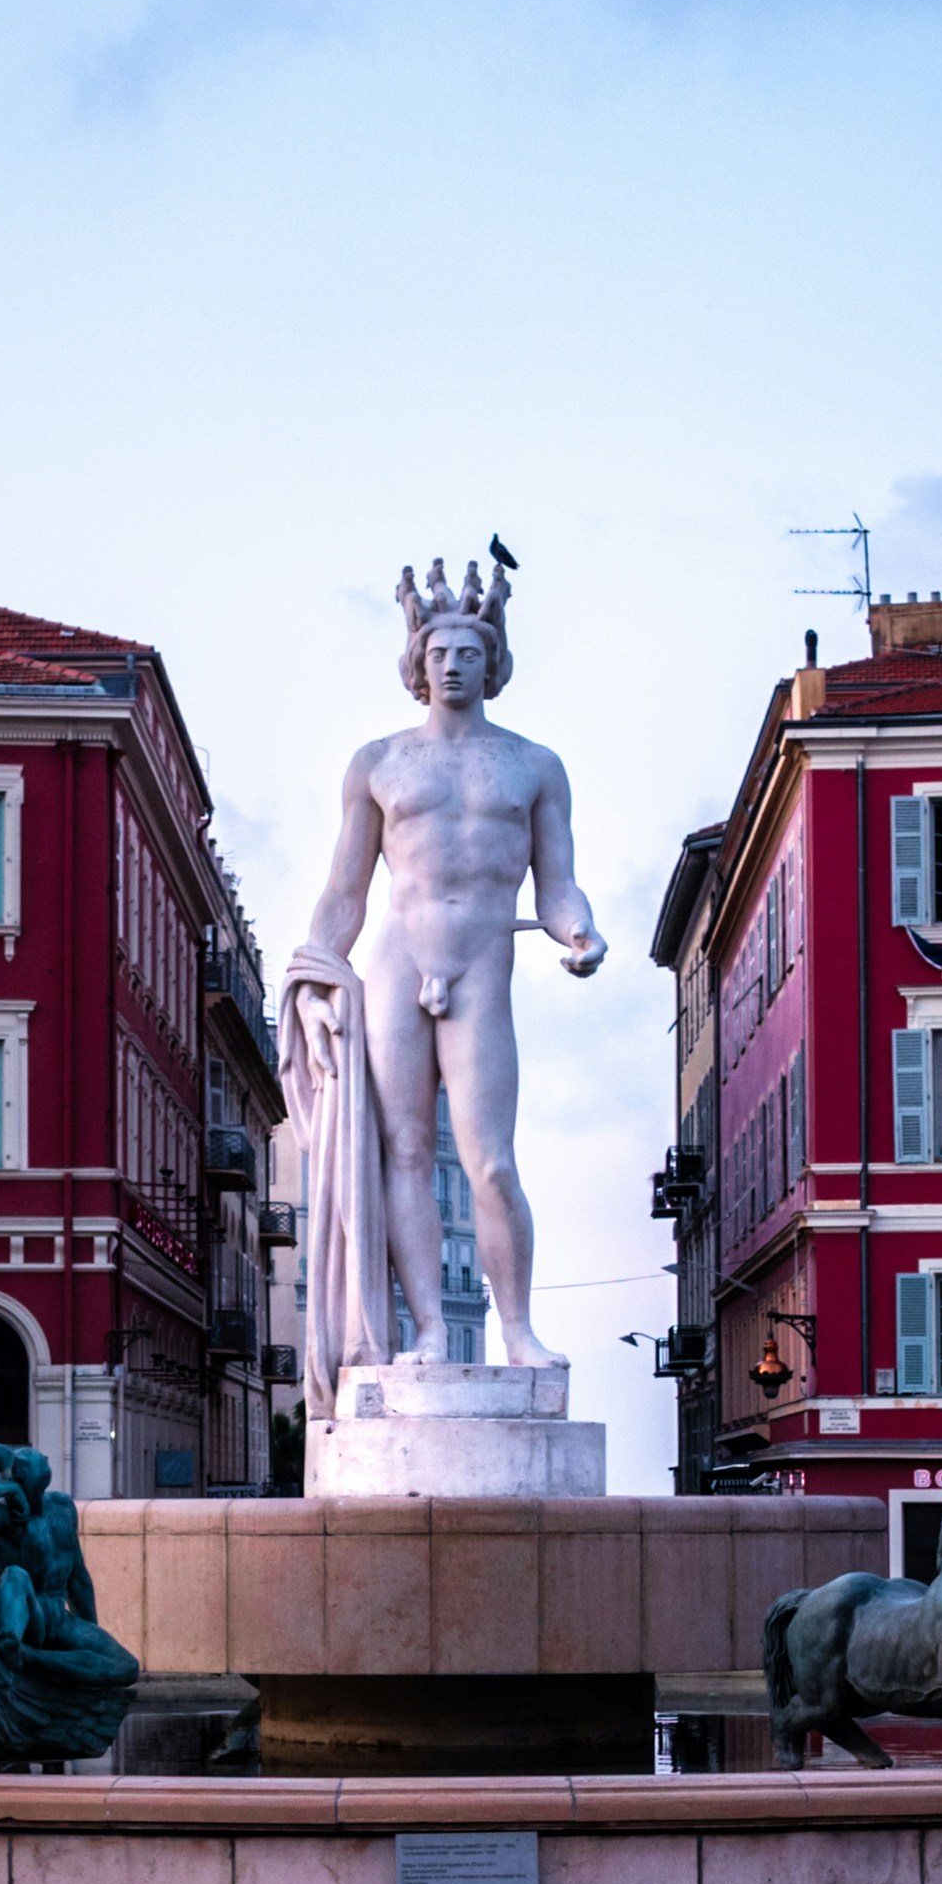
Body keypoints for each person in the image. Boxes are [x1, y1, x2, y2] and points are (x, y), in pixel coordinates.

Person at [282, 557, 604, 1400]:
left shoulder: (534, 766)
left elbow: (557, 880)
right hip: (397, 964)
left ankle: (520, 1329)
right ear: (417, 665)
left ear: (491, 663)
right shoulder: (379, 763)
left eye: (468, 650)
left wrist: (580, 930)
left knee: (492, 1162)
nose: (453, 663)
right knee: (407, 1152)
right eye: (439, 652)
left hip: (482, 965)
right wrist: (317, 973)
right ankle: (427, 1328)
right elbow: (346, 893)